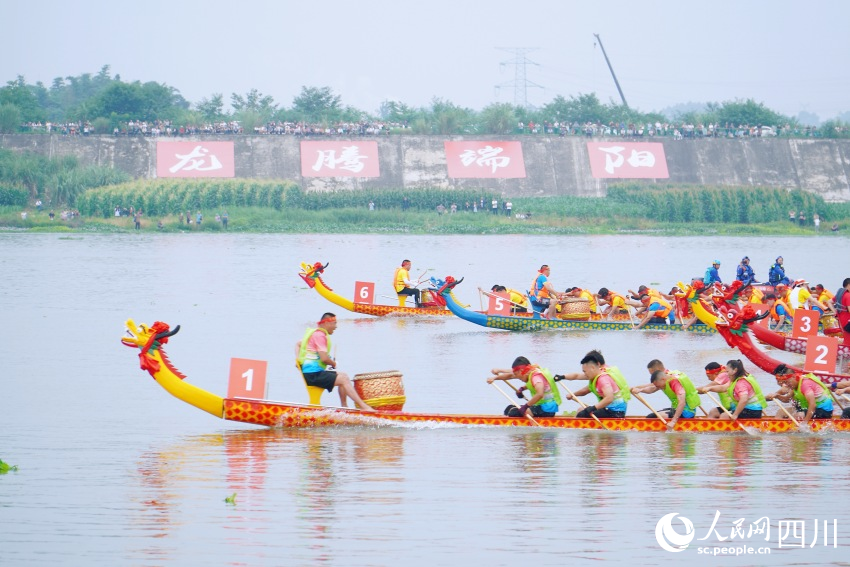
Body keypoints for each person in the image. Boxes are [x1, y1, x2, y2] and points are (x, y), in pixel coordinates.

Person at [295, 313, 372, 411]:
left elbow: (297, 344)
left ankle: (344, 408)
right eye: (334, 323)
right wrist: (333, 363)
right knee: (343, 380)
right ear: (327, 323)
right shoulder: (320, 335)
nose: (336, 327)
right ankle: (364, 407)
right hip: (313, 375)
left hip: (313, 373)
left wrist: (298, 360)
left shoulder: (315, 334)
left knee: (344, 376)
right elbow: (324, 358)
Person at [558, 350, 629, 418]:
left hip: (615, 412)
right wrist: (562, 377)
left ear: (594, 366)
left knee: (582, 414)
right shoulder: (598, 373)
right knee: (581, 410)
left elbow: (609, 398)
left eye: (585, 371)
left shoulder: (603, 379)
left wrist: (593, 408)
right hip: (611, 409)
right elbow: (577, 376)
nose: (584, 374)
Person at [632, 360, 701, 428]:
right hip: (679, 409)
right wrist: (640, 390)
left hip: (686, 412)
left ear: (662, 379)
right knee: (653, 415)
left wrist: (673, 421)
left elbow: (682, 403)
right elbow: (652, 388)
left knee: (652, 417)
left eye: (652, 373)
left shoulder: (674, 381)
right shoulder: (665, 378)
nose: (658, 387)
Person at [487, 356, 561, 418]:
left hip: (547, 409)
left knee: (514, 413)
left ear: (521, 371)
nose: (517, 377)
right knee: (509, 408)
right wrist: (494, 378)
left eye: (517, 375)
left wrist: (525, 406)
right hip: (541, 407)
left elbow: (540, 394)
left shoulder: (536, 377)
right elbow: (511, 375)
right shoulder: (530, 372)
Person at [767, 363, 834, 422]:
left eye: (786, 382)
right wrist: (777, 396)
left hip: (824, 410)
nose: (786, 385)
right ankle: (778, 430)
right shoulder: (794, 384)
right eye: (784, 383)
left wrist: (805, 424)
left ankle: (793, 431)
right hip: (809, 409)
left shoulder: (805, 384)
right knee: (781, 412)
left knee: (797, 415)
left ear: (793, 377)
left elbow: (812, 405)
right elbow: (787, 399)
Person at [835, 277, 850, 345]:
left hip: (842, 323)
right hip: (847, 323)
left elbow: (829, 302)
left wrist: (835, 312)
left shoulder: (839, 295)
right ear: (849, 285)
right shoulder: (848, 295)